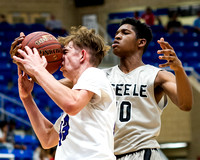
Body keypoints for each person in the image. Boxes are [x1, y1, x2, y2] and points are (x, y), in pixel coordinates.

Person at [12, 26, 117, 160]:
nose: (61, 57)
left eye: (65, 51)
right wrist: (26, 98)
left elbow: (71, 104)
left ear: (82, 55)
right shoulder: (80, 98)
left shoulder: (94, 74)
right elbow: (47, 139)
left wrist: (38, 69)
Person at [103, 17, 193, 159]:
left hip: (141, 152)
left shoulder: (157, 76)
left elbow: (185, 104)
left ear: (141, 42)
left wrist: (179, 70)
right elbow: (63, 86)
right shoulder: (102, 76)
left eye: (125, 33)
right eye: (116, 34)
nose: (118, 36)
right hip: (110, 154)